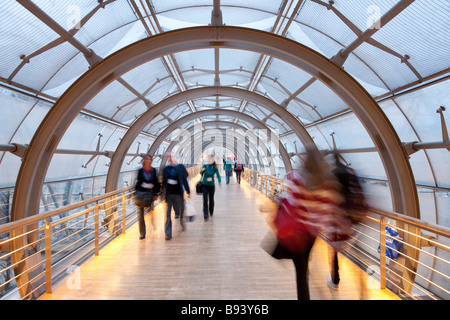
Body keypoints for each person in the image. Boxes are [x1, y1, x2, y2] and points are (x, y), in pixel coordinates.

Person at [271, 145, 343, 300]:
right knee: (303, 264)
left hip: (296, 231)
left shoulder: (299, 179)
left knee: (301, 271)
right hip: (312, 233)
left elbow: (292, 204)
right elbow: (330, 209)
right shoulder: (328, 184)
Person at [327, 152, 369, 290]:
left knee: (333, 249)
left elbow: (331, 195)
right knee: (354, 245)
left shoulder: (334, 173)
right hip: (354, 216)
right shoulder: (351, 172)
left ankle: (335, 279)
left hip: (339, 216)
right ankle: (362, 283)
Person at [162, 152, 191, 240]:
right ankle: (168, 233)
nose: (169, 158)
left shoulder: (180, 167)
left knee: (180, 209)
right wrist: (161, 194)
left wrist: (188, 191)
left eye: (170, 157)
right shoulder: (166, 169)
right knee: (167, 214)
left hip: (178, 193)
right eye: (168, 157)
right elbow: (164, 182)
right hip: (169, 194)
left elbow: (184, 179)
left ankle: (182, 221)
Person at [135, 155, 160, 240]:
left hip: (150, 194)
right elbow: (138, 182)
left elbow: (156, 182)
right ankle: (142, 233)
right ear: (144, 160)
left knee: (150, 210)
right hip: (141, 194)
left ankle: (152, 223)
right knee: (141, 214)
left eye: (150, 159)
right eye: (147, 159)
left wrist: (156, 193)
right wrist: (135, 193)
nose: (149, 161)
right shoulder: (141, 171)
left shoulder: (153, 171)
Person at [201, 155, 221, 221]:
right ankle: (205, 214)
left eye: (210, 159)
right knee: (205, 199)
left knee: (211, 199)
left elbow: (218, 174)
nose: (209, 160)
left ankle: (211, 211)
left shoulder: (214, 167)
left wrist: (219, 182)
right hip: (204, 185)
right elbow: (201, 172)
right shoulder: (205, 166)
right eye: (208, 159)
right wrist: (202, 170)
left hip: (211, 186)